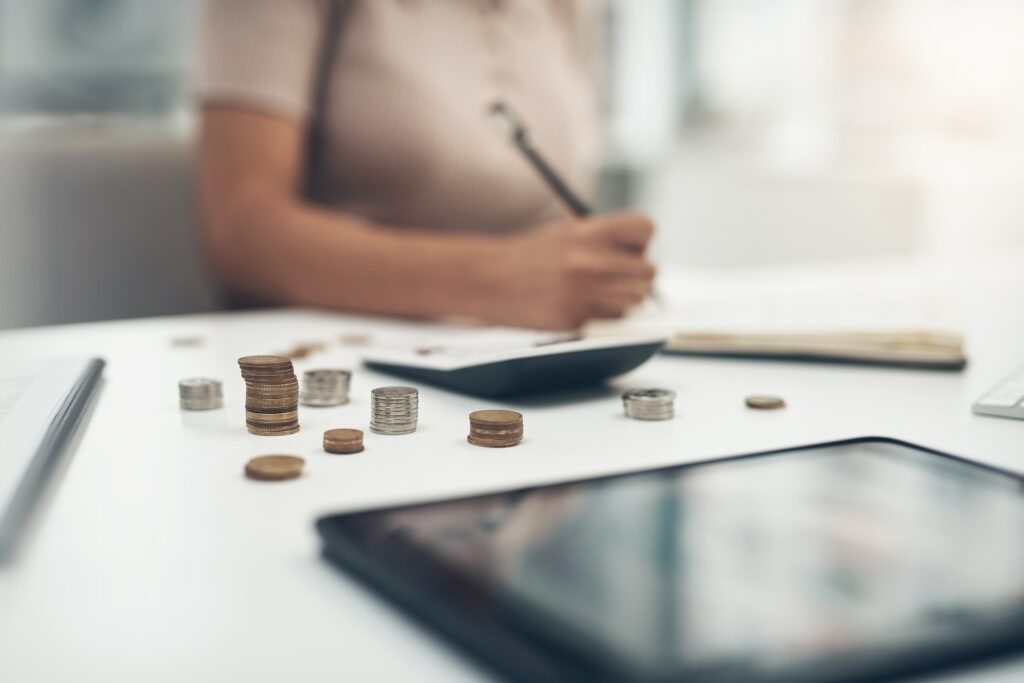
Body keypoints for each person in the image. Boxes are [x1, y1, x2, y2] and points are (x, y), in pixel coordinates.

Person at [198, 0, 656, 330]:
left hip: (515, 349)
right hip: (332, 349)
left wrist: (585, 270)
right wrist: (498, 280)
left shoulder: (567, 10)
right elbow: (242, 231)